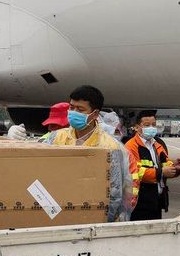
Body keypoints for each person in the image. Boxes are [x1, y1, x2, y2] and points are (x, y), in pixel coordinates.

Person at [48, 85, 136, 222]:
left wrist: (102, 221)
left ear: (95, 114)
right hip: (57, 214)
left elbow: (114, 193)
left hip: (91, 217)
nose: (73, 112)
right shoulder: (56, 138)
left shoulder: (110, 147)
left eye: (80, 109)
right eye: (71, 107)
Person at [125, 110, 180, 220]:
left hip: (156, 201)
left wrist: (176, 168)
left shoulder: (157, 145)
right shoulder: (131, 146)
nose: (151, 128)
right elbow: (137, 172)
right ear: (137, 127)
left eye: (153, 125)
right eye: (147, 125)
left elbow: (167, 164)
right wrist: (161, 172)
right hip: (139, 202)